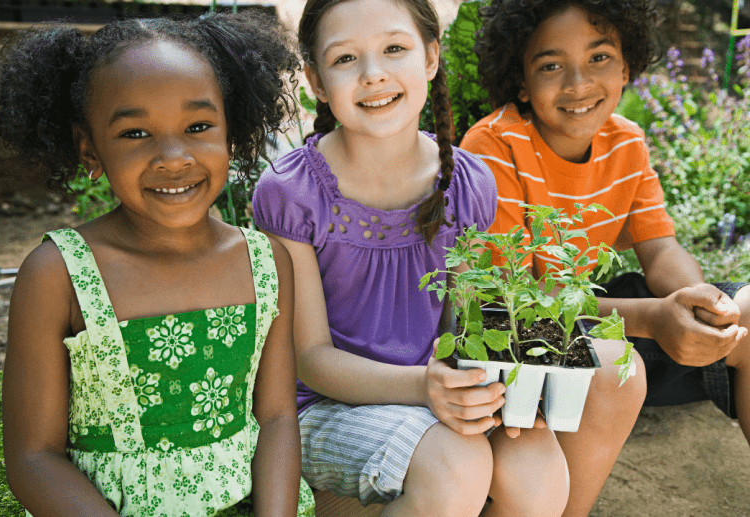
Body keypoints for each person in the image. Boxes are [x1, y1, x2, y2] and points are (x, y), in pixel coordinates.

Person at [251, 0, 574, 515]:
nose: (374, 75)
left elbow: (468, 324)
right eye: (345, 59)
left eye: (394, 49)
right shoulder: (293, 193)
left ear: (429, 58)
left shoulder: (465, 183)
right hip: (324, 410)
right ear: (315, 80)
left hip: (434, 392)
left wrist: (508, 381)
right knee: (457, 462)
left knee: (537, 467)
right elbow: (310, 359)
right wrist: (426, 387)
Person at [0, 12, 315, 517]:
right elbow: (33, 457)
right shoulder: (58, 273)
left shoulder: (265, 262)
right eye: (135, 133)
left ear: (233, 126)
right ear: (88, 146)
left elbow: (275, 417)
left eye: (199, 126)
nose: (173, 156)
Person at [460, 0, 749, 515]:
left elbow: (659, 249)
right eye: (550, 65)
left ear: (626, 67)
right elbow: (514, 301)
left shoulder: (627, 143)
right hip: (510, 335)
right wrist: (652, 319)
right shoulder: (493, 145)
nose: (577, 83)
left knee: (743, 316)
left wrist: (694, 304)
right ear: (521, 81)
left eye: (599, 58)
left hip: (589, 313)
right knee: (617, 367)